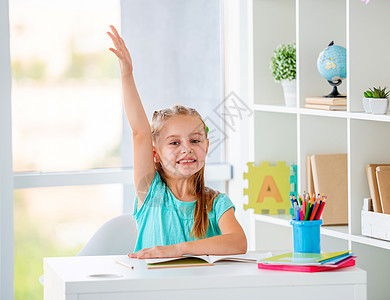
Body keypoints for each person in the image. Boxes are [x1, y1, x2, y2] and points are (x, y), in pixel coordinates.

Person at [107, 25, 247, 259]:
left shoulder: (216, 203)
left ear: (206, 147)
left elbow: (238, 242)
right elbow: (140, 132)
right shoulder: (150, 192)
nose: (187, 149)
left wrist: (178, 250)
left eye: (195, 140)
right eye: (174, 143)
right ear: (155, 154)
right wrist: (127, 75)